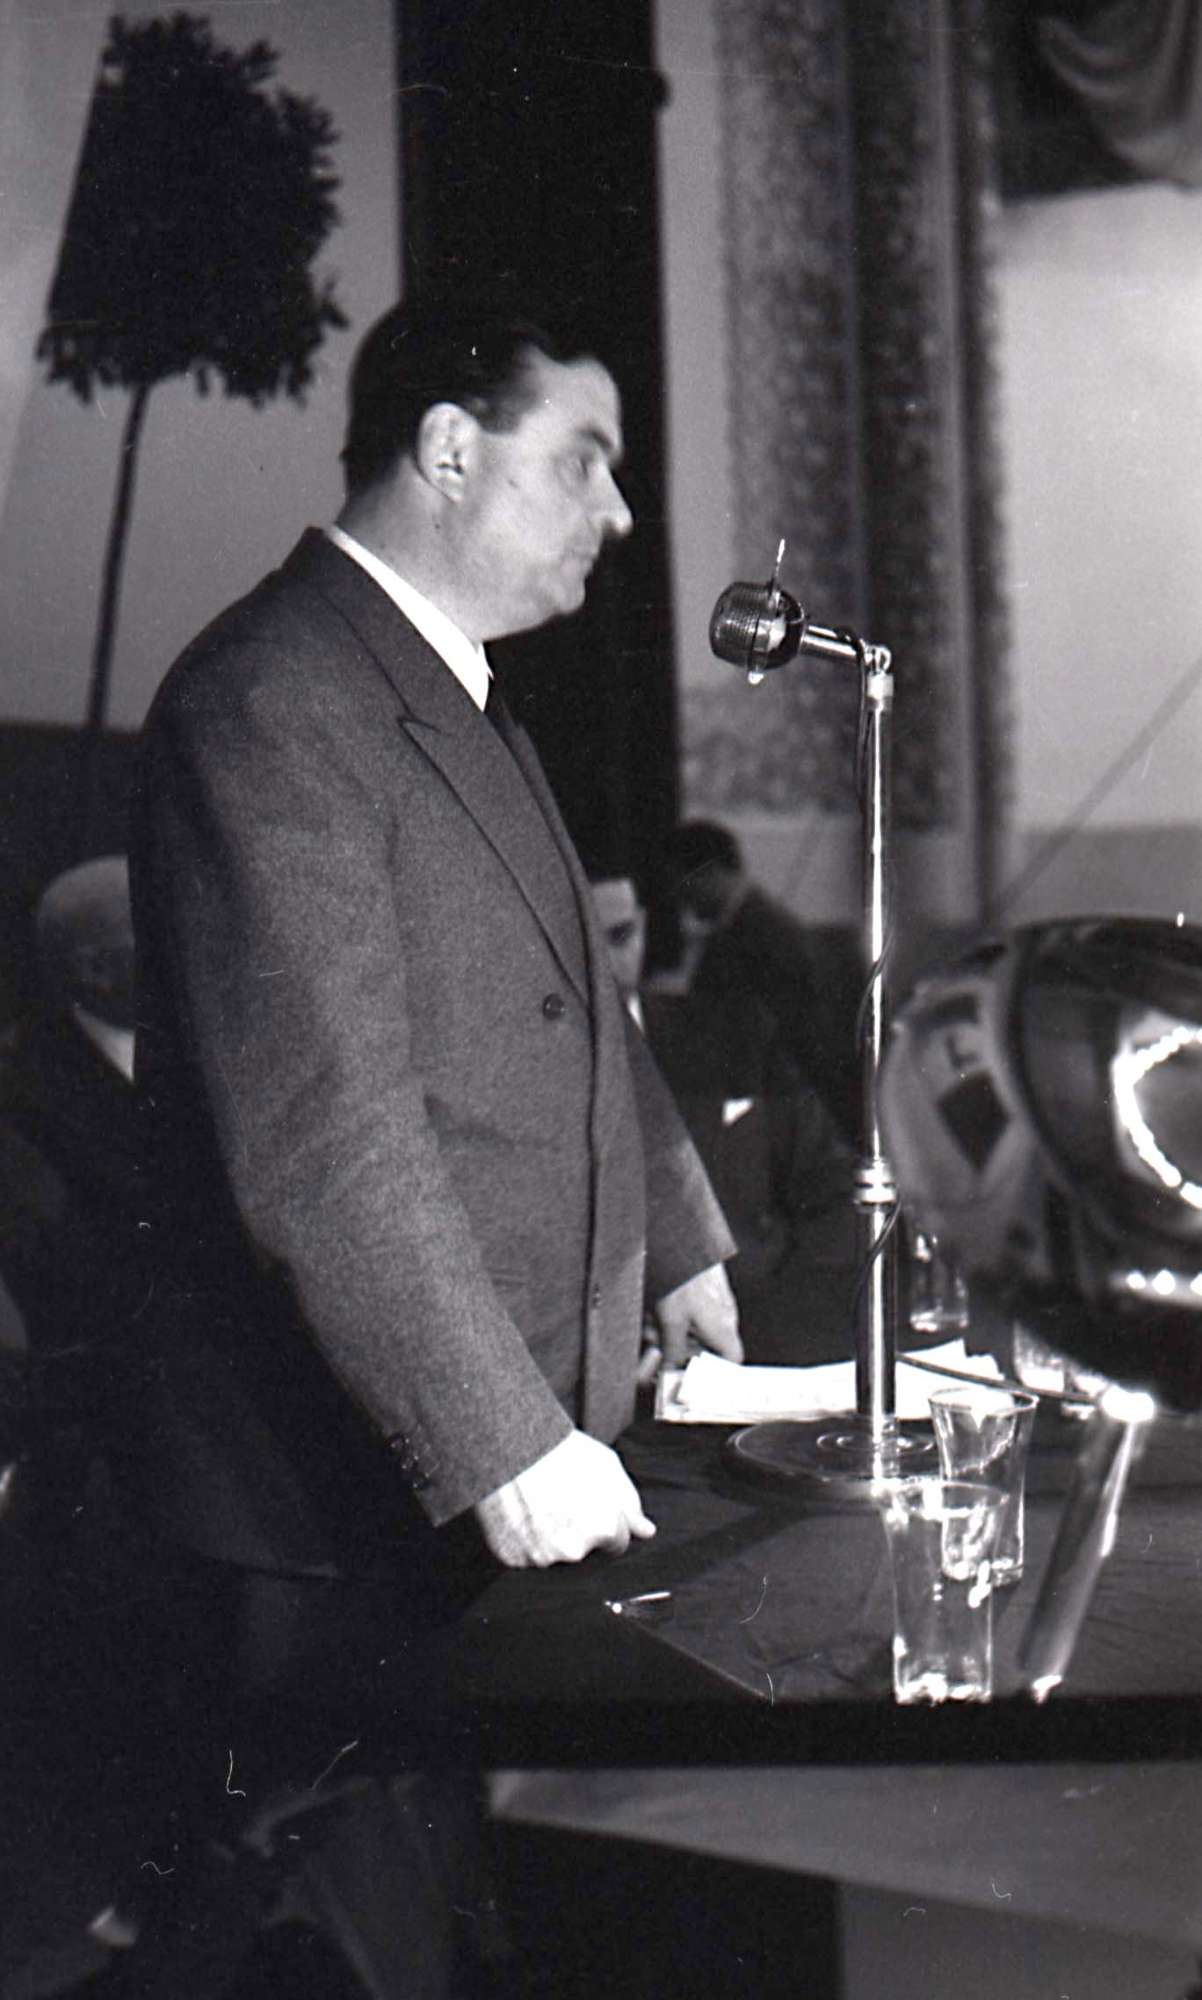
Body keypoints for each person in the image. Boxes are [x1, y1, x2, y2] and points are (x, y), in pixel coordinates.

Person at [128, 303, 740, 1614]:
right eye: (583, 461)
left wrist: (678, 1241)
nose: (618, 512)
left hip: (497, 1442)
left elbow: (580, 1000)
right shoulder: (271, 697)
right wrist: (498, 1437)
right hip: (326, 1503)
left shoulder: (444, 683)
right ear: (451, 449)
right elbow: (324, 1135)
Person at [592, 872, 860, 1365]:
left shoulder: (736, 1035)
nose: (602, 965)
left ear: (646, 925)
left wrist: (740, 1344)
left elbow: (834, 1195)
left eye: (619, 936)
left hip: (747, 1352)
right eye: (581, 944)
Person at [662, 818, 864, 1145]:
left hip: (787, 1105)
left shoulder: (764, 934)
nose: (680, 898)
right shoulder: (745, 926)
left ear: (710, 873)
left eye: (684, 883)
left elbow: (782, 1038)